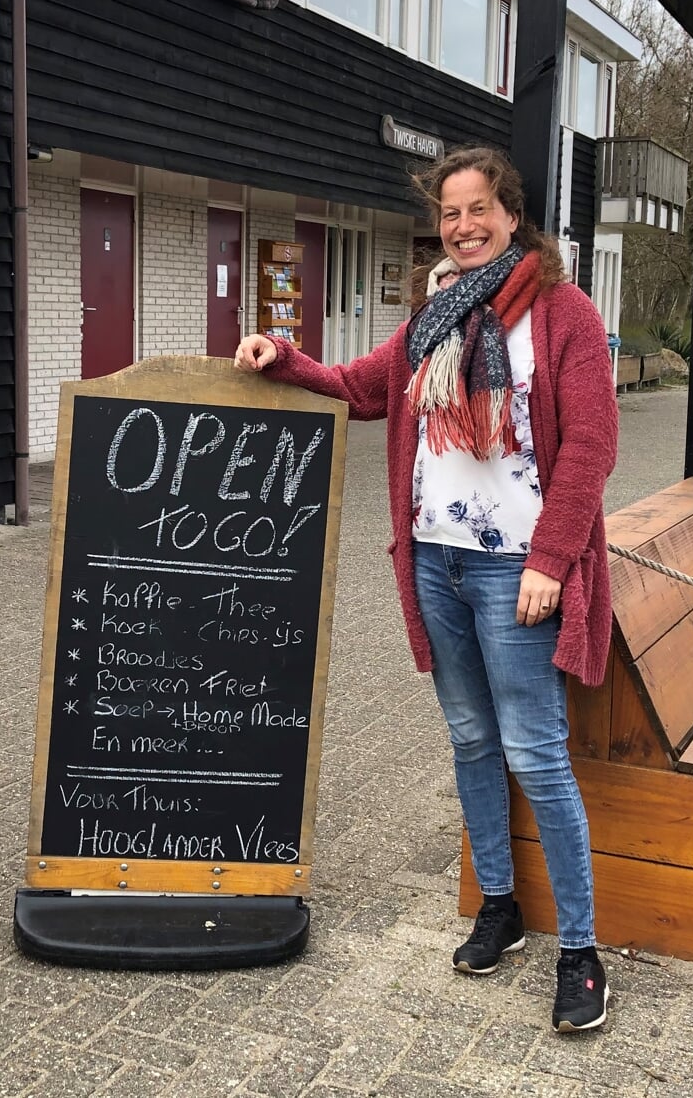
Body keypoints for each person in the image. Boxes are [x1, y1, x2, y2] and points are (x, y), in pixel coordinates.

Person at [235, 146, 618, 1032]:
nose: (465, 225)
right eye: (450, 213)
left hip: (515, 569)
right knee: (472, 740)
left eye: (479, 207)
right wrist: (280, 358)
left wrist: (552, 561)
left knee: (536, 752)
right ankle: (500, 907)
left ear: (511, 214)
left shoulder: (563, 314)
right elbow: (358, 388)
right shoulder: (435, 319)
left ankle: (582, 951)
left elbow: (593, 447)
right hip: (437, 560)